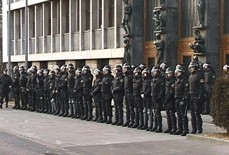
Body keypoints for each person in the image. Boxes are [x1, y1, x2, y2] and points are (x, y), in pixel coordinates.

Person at [188, 61, 205, 134]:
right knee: (192, 114)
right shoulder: (191, 76)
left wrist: (199, 97)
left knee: (197, 113)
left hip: (196, 96)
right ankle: (194, 128)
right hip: (191, 95)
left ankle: (199, 129)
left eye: (192, 67)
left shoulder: (199, 75)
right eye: (190, 68)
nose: (191, 69)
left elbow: (201, 88)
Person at [151, 66, 165, 132]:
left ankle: (159, 126)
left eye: (155, 72)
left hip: (157, 99)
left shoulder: (160, 80)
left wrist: (158, 97)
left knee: (157, 112)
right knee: (155, 113)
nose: (154, 73)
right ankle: (155, 125)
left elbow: (161, 90)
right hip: (153, 97)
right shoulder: (153, 80)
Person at [164, 67, 177, 134]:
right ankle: (169, 127)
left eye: (169, 74)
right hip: (167, 99)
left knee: (172, 114)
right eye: (167, 74)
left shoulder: (173, 81)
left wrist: (167, 99)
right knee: (168, 114)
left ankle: (174, 128)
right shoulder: (167, 81)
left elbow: (172, 92)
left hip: (171, 99)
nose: (168, 75)